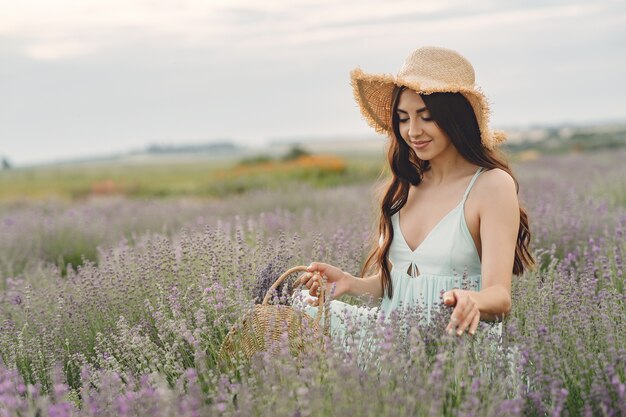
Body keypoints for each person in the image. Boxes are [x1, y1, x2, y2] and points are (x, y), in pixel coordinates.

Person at [293, 46, 534, 345]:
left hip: (457, 353)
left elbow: (500, 297)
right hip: (392, 348)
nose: (413, 131)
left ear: (456, 118)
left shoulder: (492, 186)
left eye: (426, 116)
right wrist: (350, 283)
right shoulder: (405, 186)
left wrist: (473, 300)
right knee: (297, 310)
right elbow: (402, 282)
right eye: (403, 118)